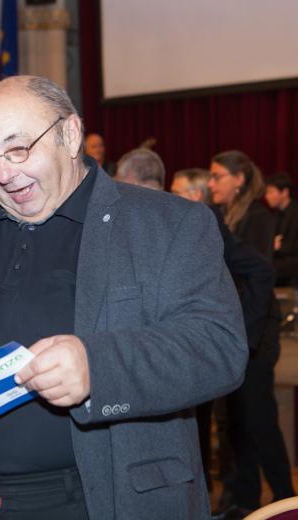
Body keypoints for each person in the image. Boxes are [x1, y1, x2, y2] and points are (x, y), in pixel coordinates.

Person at [0, 75, 248, 519]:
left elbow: (218, 347)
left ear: (70, 134)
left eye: (18, 150)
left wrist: (97, 367)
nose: (3, 174)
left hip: (96, 503)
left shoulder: (167, 224)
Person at [171, 167, 275, 501]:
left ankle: (276, 498)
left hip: (234, 341)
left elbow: (260, 269)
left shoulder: (212, 220)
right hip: (208, 341)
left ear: (192, 196)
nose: (167, 198)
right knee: (229, 424)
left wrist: (246, 334)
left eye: (175, 191)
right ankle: (236, 495)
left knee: (255, 424)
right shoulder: (201, 220)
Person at [208, 151, 295, 518]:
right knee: (240, 421)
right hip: (239, 332)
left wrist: (248, 341)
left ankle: (284, 498)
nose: (211, 184)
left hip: (257, 332)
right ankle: (245, 498)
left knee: (259, 420)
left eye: (217, 176)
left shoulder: (257, 217)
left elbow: (259, 277)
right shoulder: (229, 216)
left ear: (239, 179)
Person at [265, 172, 298, 285]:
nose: (266, 197)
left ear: (284, 192)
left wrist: (279, 246)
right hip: (281, 259)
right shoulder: (275, 215)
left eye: (270, 192)